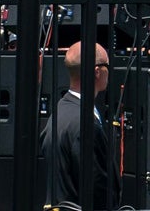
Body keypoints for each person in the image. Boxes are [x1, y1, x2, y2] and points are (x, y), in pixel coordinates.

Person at [42, 40, 118, 210]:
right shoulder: (85, 124)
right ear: (97, 72)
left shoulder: (61, 110)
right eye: (107, 65)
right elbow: (97, 186)